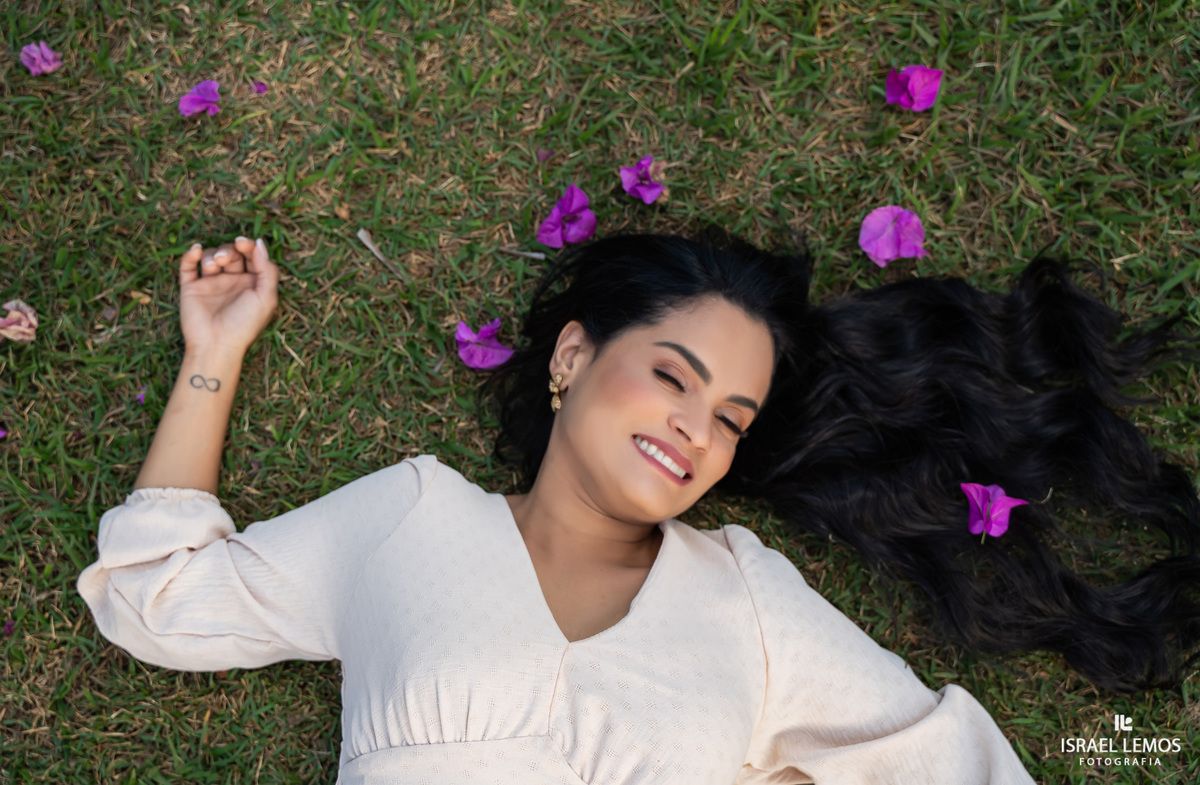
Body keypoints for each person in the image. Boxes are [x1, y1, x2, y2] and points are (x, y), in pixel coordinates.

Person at [77, 231, 1198, 783]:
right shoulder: (410, 519)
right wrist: (212, 353)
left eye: (732, 416)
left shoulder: (744, 596)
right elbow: (158, 597)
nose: (694, 428)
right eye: (672, 374)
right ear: (574, 351)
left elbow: (946, 759)